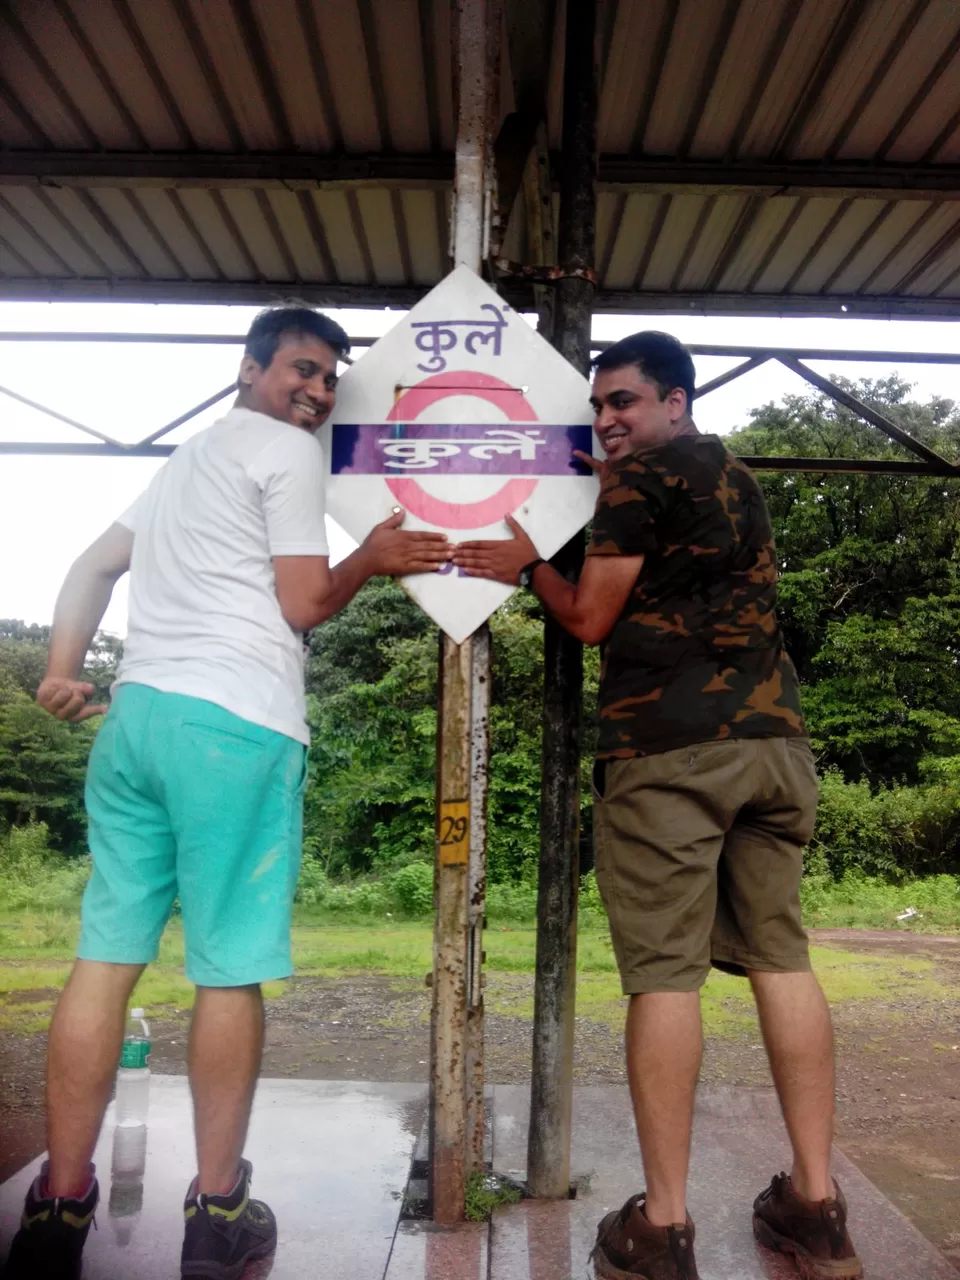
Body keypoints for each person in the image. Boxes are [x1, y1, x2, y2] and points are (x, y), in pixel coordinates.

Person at [5, 306, 451, 1280]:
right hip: (234, 723)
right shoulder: (285, 453)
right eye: (303, 367)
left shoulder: (182, 462)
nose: (319, 391)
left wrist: (61, 667)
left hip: (134, 722)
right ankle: (218, 1212)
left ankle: (58, 1208)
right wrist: (372, 556)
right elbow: (302, 604)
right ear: (248, 367)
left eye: (330, 377)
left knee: (103, 960)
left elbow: (90, 564)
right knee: (227, 968)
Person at [453, 331, 861, 1280]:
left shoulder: (638, 485)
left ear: (677, 400)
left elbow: (590, 617)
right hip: (775, 749)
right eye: (600, 407)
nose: (609, 421)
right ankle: (814, 1202)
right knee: (782, 958)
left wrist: (526, 561)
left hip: (670, 753)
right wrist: (605, 477)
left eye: (625, 402)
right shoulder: (735, 477)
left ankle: (664, 1227)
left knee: (665, 977)